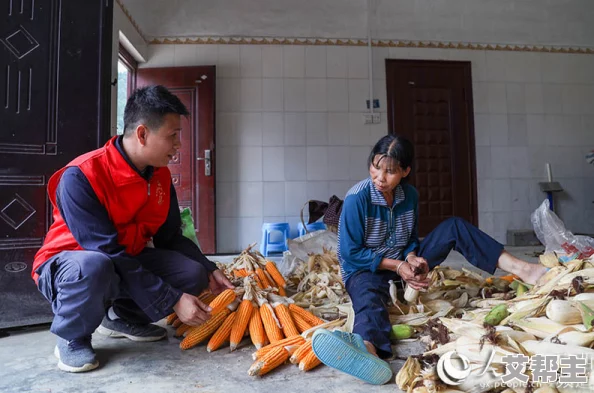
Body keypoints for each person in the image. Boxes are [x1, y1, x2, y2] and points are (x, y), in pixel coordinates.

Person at [311, 134, 547, 385]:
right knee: (369, 298)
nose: (380, 177)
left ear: (405, 171)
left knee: (454, 227)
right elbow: (351, 253)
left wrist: (413, 259)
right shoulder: (358, 199)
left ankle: (524, 269)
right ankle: (367, 348)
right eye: (375, 167)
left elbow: (410, 238)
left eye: (390, 171)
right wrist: (399, 266)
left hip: (401, 264)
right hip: (365, 269)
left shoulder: (409, 195)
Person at [32, 85, 234, 373]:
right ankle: (72, 335)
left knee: (192, 272)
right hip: (71, 264)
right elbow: (105, 249)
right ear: (142, 134)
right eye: (172, 136)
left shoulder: (160, 177)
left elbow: (170, 237)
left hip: (123, 258)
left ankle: (119, 316)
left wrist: (208, 266)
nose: (179, 145)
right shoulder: (81, 176)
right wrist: (172, 299)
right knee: (94, 265)